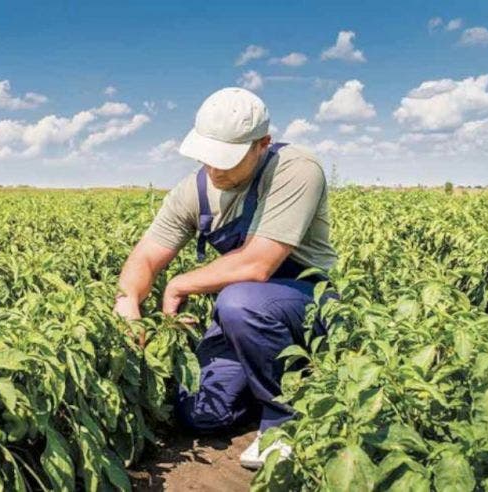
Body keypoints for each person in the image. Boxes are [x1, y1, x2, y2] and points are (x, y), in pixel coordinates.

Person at [113, 87, 339, 470]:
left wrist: (179, 284)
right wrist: (127, 303)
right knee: (200, 413)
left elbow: (258, 264)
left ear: (261, 144)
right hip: (247, 317)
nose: (215, 170)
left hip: (306, 303)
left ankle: (286, 422)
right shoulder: (195, 191)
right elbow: (147, 256)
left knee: (238, 302)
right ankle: (283, 380)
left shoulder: (296, 168)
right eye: (208, 158)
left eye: (227, 160)